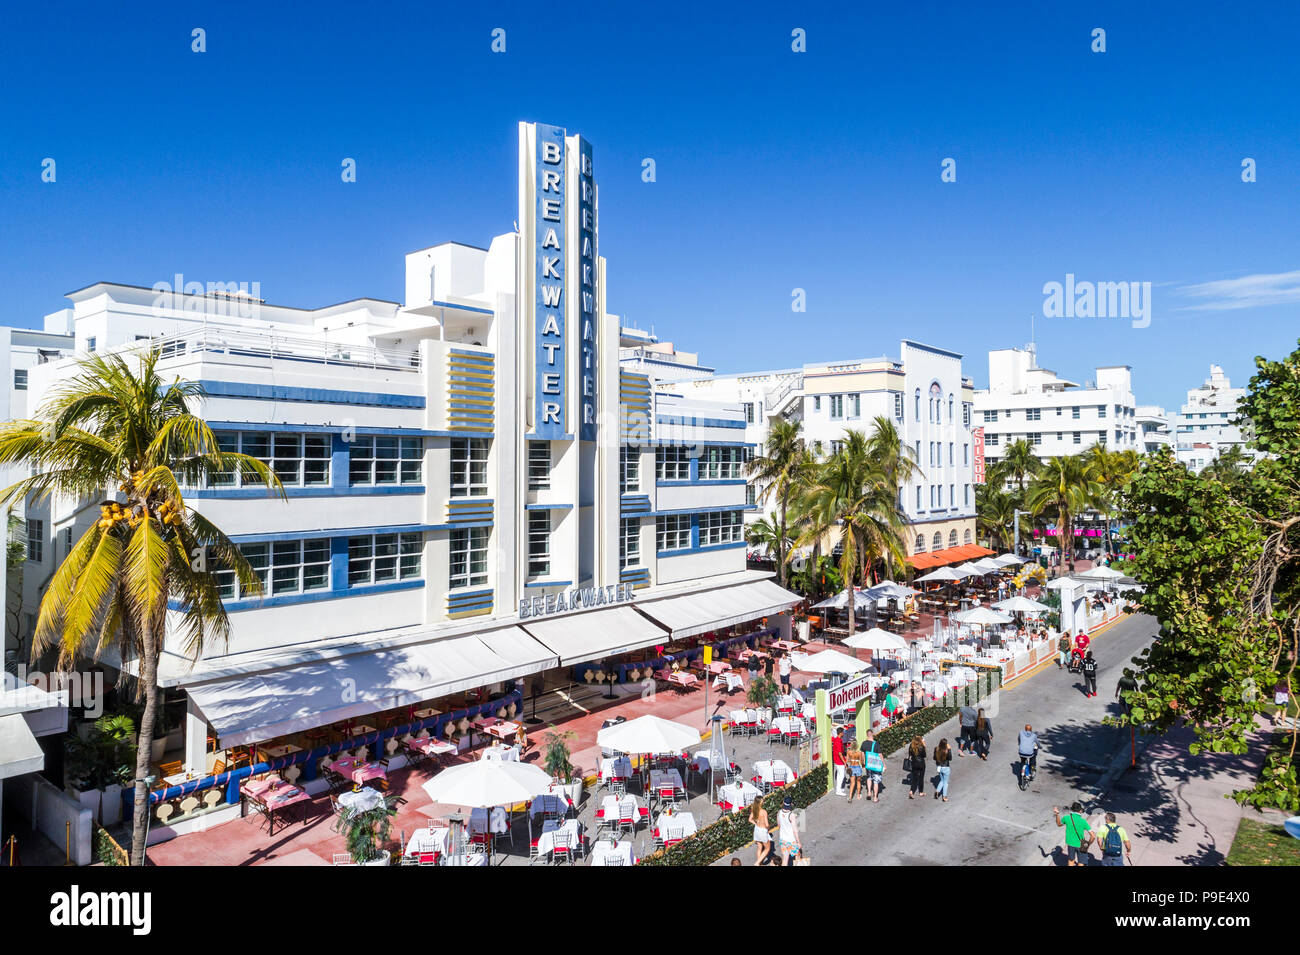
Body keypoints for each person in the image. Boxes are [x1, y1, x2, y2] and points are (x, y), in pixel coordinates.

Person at [1054, 802, 1094, 866]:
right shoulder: (1083, 821)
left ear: (1072, 810)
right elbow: (1093, 836)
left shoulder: (1066, 818)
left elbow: (1059, 824)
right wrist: (1088, 844)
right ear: (1080, 811)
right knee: (1081, 861)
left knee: (1071, 860)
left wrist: (1057, 814)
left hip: (1070, 843)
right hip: (1081, 845)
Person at [776, 796, 801, 865]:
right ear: (791, 804)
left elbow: (779, 826)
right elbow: (795, 830)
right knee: (797, 855)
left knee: (785, 857)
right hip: (791, 840)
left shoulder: (779, 812)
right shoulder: (791, 815)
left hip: (782, 839)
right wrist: (798, 842)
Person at [749, 797, 772, 866]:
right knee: (767, 848)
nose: (763, 802)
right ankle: (757, 863)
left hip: (757, 829)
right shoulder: (764, 811)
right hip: (762, 830)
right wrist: (768, 828)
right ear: (760, 802)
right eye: (762, 801)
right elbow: (767, 824)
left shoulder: (754, 810)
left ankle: (760, 864)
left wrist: (756, 823)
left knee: (759, 847)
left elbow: (750, 819)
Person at [862, 730, 883, 802]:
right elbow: (880, 754)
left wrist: (863, 763)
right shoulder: (876, 743)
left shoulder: (864, 743)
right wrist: (883, 764)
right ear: (872, 734)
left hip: (868, 764)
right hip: (875, 765)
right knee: (876, 781)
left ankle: (869, 793)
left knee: (869, 777)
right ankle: (875, 798)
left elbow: (862, 753)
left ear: (867, 734)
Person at [831, 726, 847, 795]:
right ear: (840, 733)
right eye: (843, 732)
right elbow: (840, 753)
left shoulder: (837, 740)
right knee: (841, 775)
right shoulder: (838, 741)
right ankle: (838, 790)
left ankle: (839, 788)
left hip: (837, 760)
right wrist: (844, 762)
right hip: (839, 761)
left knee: (839, 775)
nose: (844, 733)